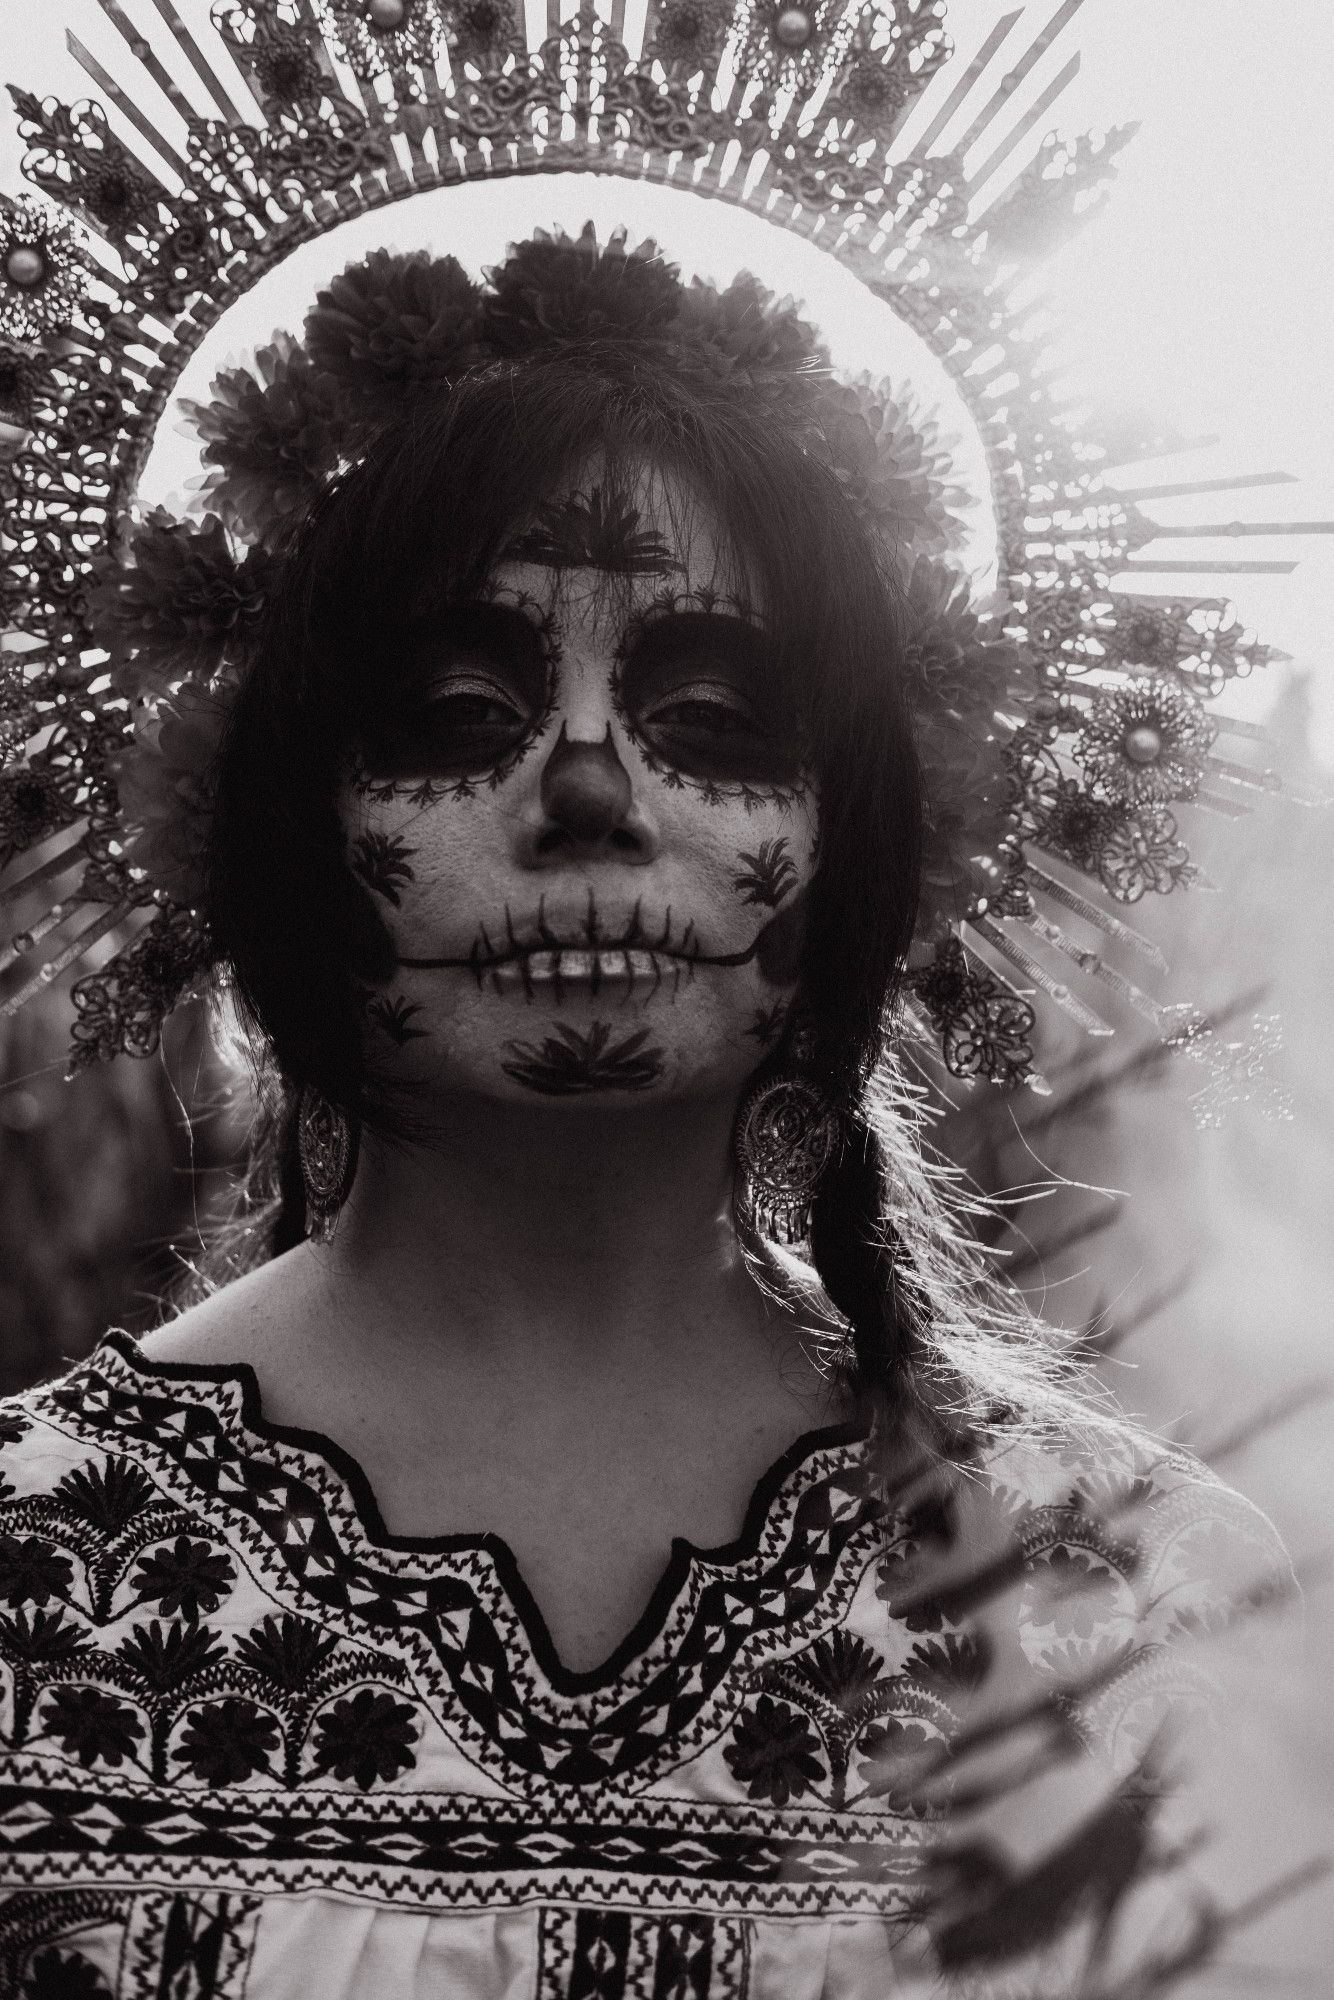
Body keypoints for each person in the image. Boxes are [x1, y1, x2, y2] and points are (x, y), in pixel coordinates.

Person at [0, 251, 1290, 2000]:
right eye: (461, 716)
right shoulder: (30, 1562)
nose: (590, 786)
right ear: (282, 812)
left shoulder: (1118, 1601)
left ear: (862, 837)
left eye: (711, 721)